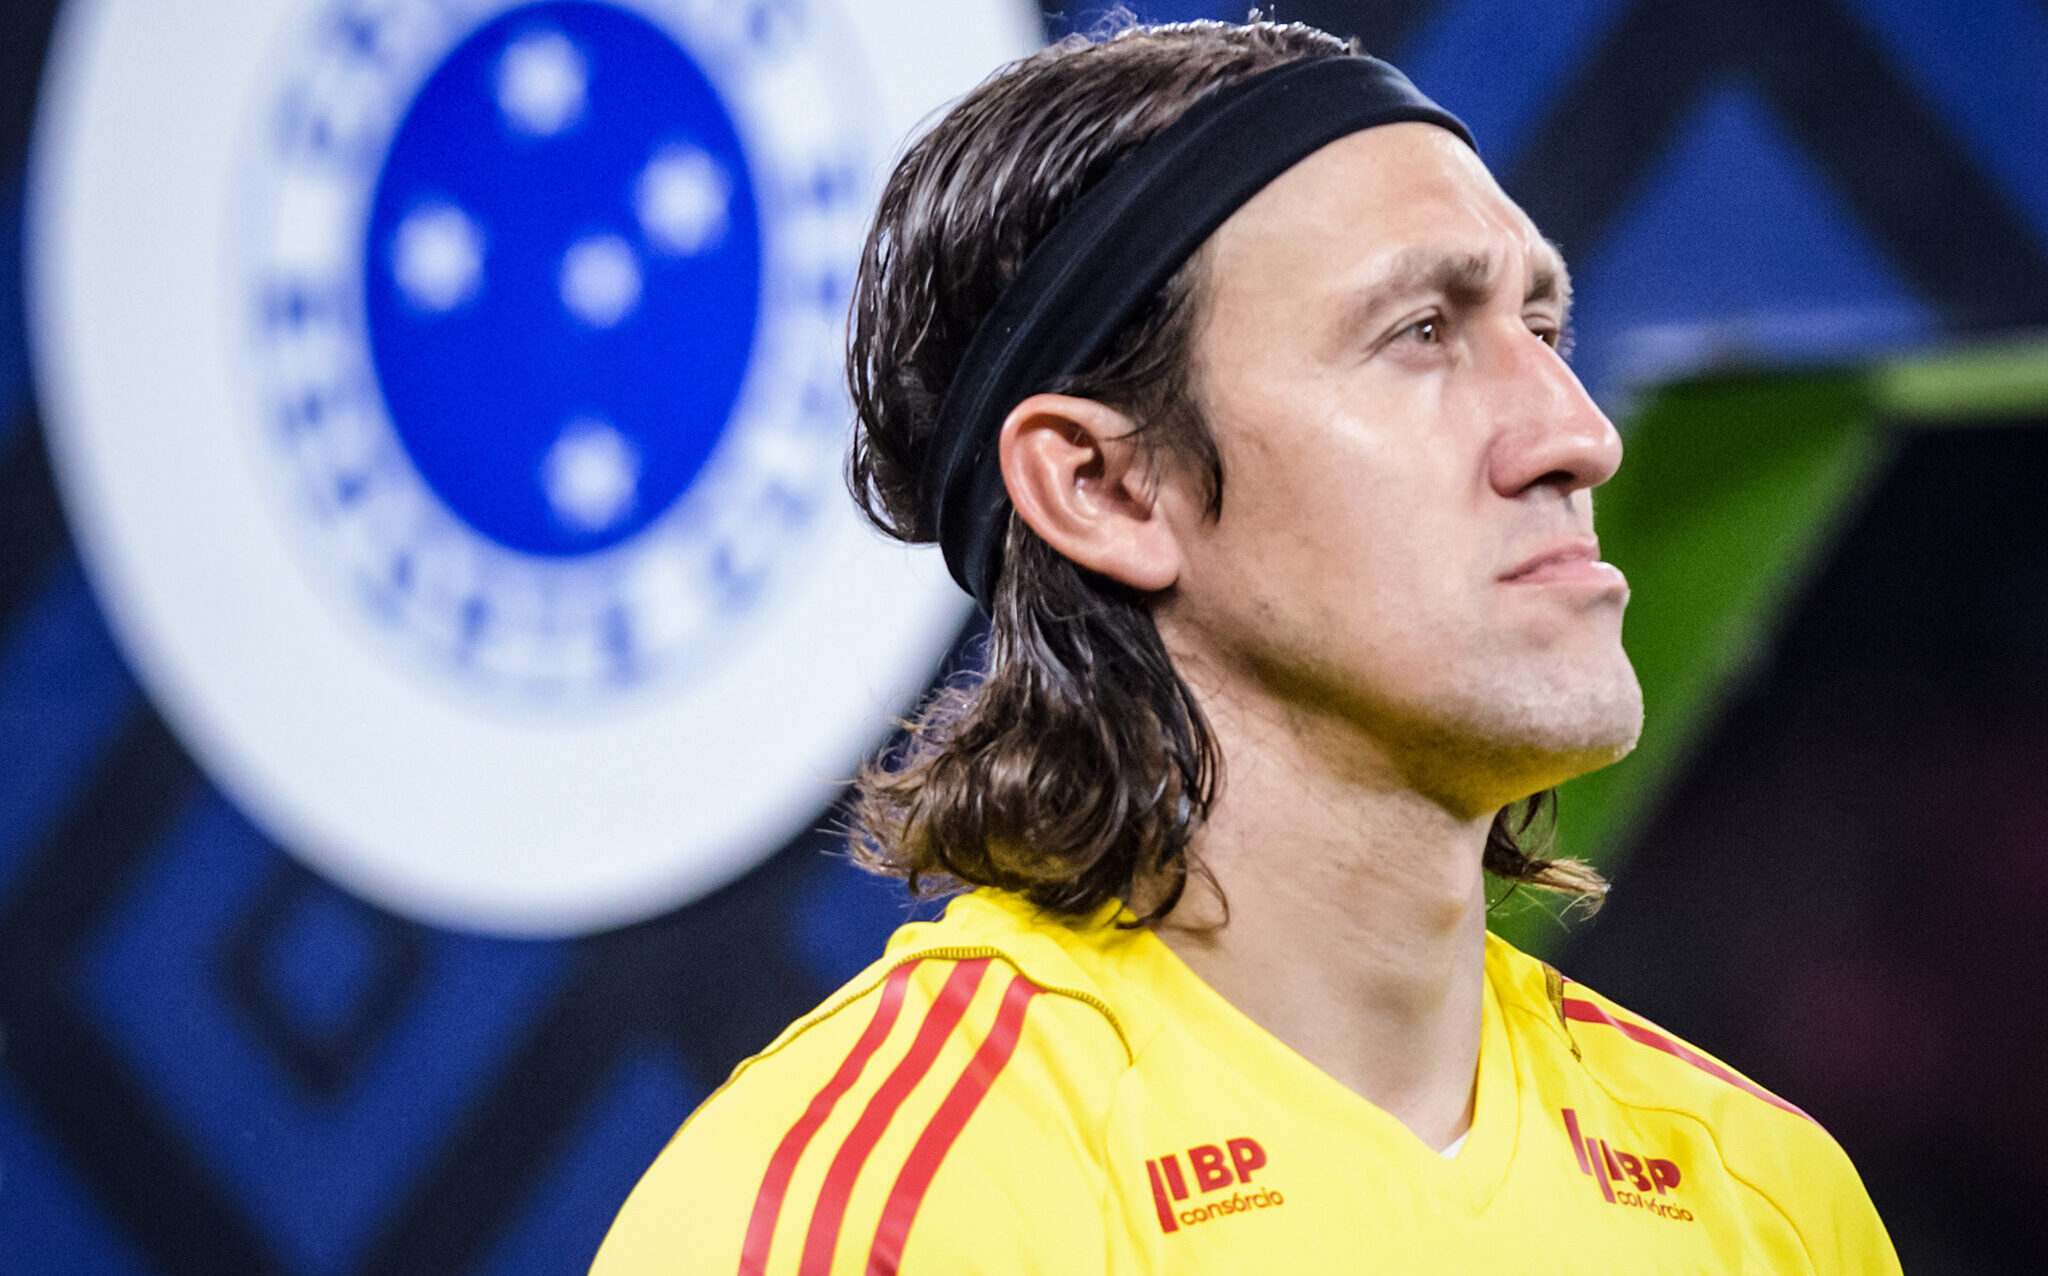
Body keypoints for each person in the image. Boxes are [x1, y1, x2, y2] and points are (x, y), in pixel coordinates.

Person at [594, 18, 1900, 1274]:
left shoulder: (1771, 1199)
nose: (1578, 435)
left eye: (1544, 329)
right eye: (1421, 333)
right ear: (1105, 487)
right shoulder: (882, 1215)